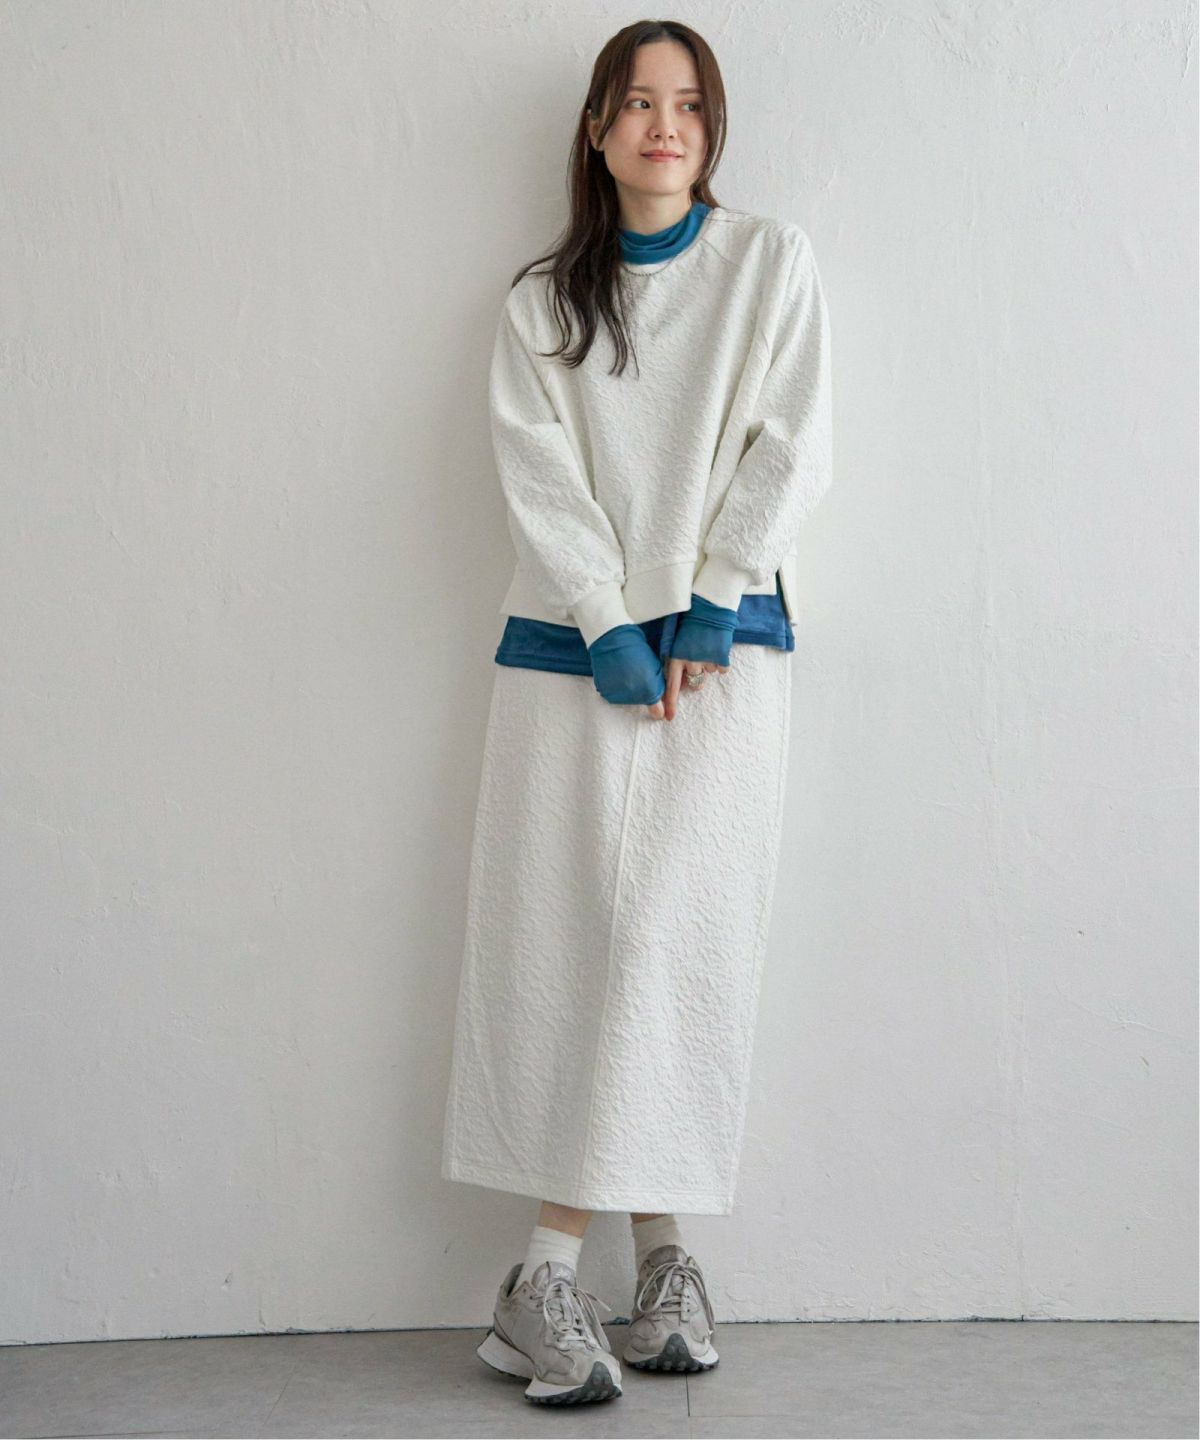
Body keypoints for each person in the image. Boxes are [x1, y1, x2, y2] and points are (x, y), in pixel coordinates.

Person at [440, 18, 833, 1406]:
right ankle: (617, 1266)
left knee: (674, 941)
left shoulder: (769, 263)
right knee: (575, 943)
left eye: (690, 105)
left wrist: (716, 596)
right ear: (598, 129)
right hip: (572, 658)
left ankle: (573, 1268)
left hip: (724, 658)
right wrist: (606, 617)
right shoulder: (544, 301)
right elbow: (536, 470)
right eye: (639, 103)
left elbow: (792, 436)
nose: (666, 126)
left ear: (711, 131)